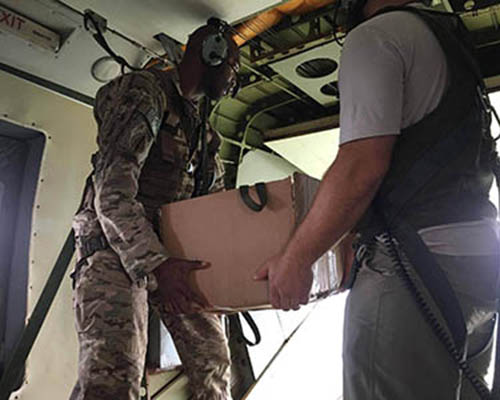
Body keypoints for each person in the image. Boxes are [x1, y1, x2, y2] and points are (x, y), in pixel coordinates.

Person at [255, 0, 500, 399]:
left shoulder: (375, 37)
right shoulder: (449, 38)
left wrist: (296, 259)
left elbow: (360, 166)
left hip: (415, 268)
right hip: (480, 271)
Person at [70, 19, 240, 400]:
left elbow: (215, 209)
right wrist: (156, 264)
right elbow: (111, 191)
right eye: (233, 67)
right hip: (115, 250)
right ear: (211, 53)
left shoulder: (205, 135)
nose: (233, 81)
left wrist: (227, 281)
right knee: (113, 379)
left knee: (214, 364)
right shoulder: (146, 94)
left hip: (172, 255)